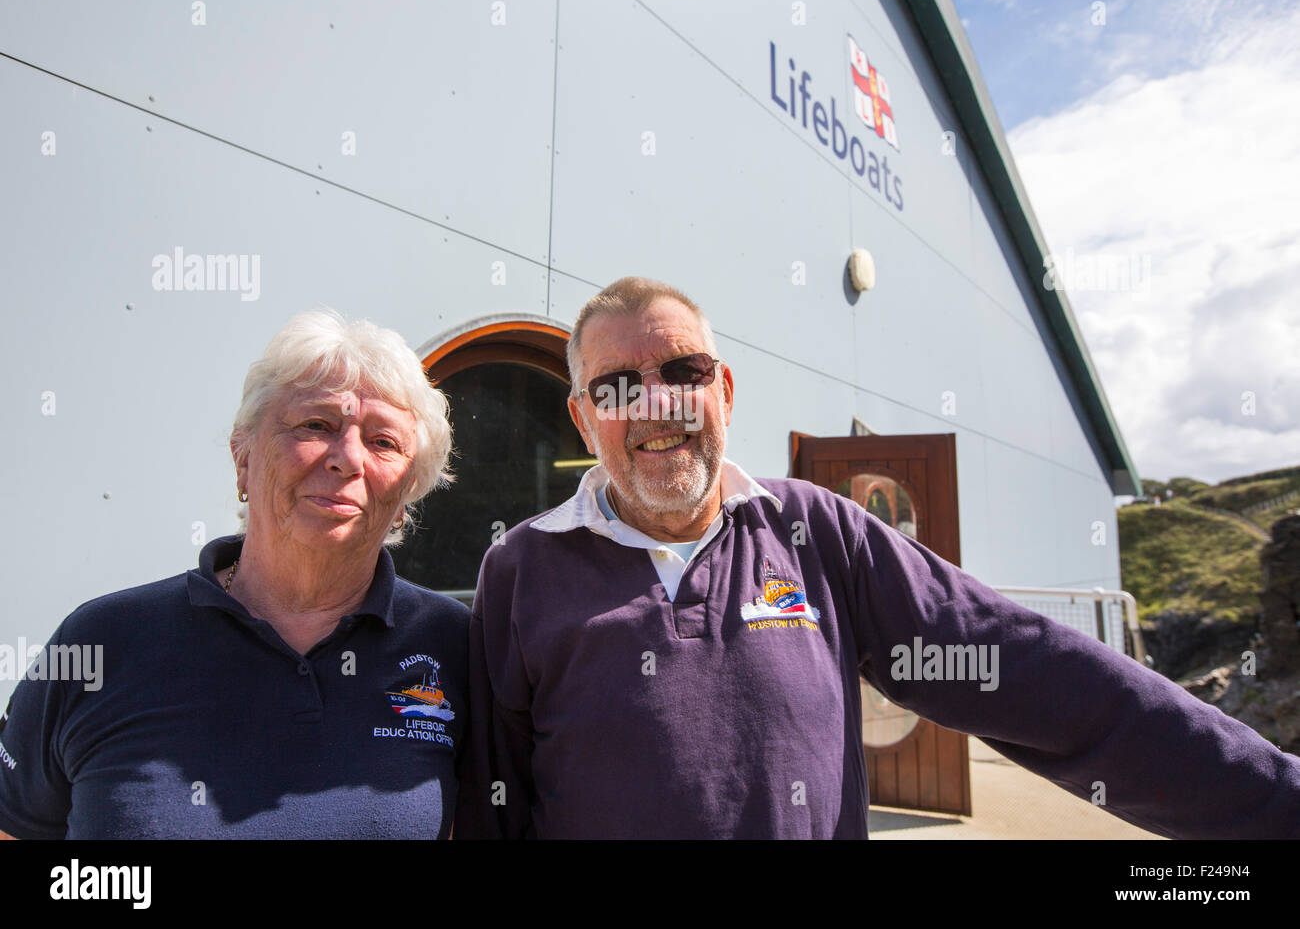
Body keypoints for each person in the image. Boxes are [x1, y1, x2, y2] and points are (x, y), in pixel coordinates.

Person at [455, 276, 1300, 839]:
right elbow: (497, 799)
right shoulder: (522, 570)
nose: (658, 401)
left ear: (725, 392)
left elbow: (1036, 673)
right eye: (618, 386)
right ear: (581, 419)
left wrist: (1272, 797)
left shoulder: (816, 533)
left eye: (685, 369)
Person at [0, 310, 468, 838]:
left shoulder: (457, 647)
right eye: (317, 425)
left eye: (384, 442)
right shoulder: (99, 641)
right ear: (242, 456)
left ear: (407, 494)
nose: (347, 459)